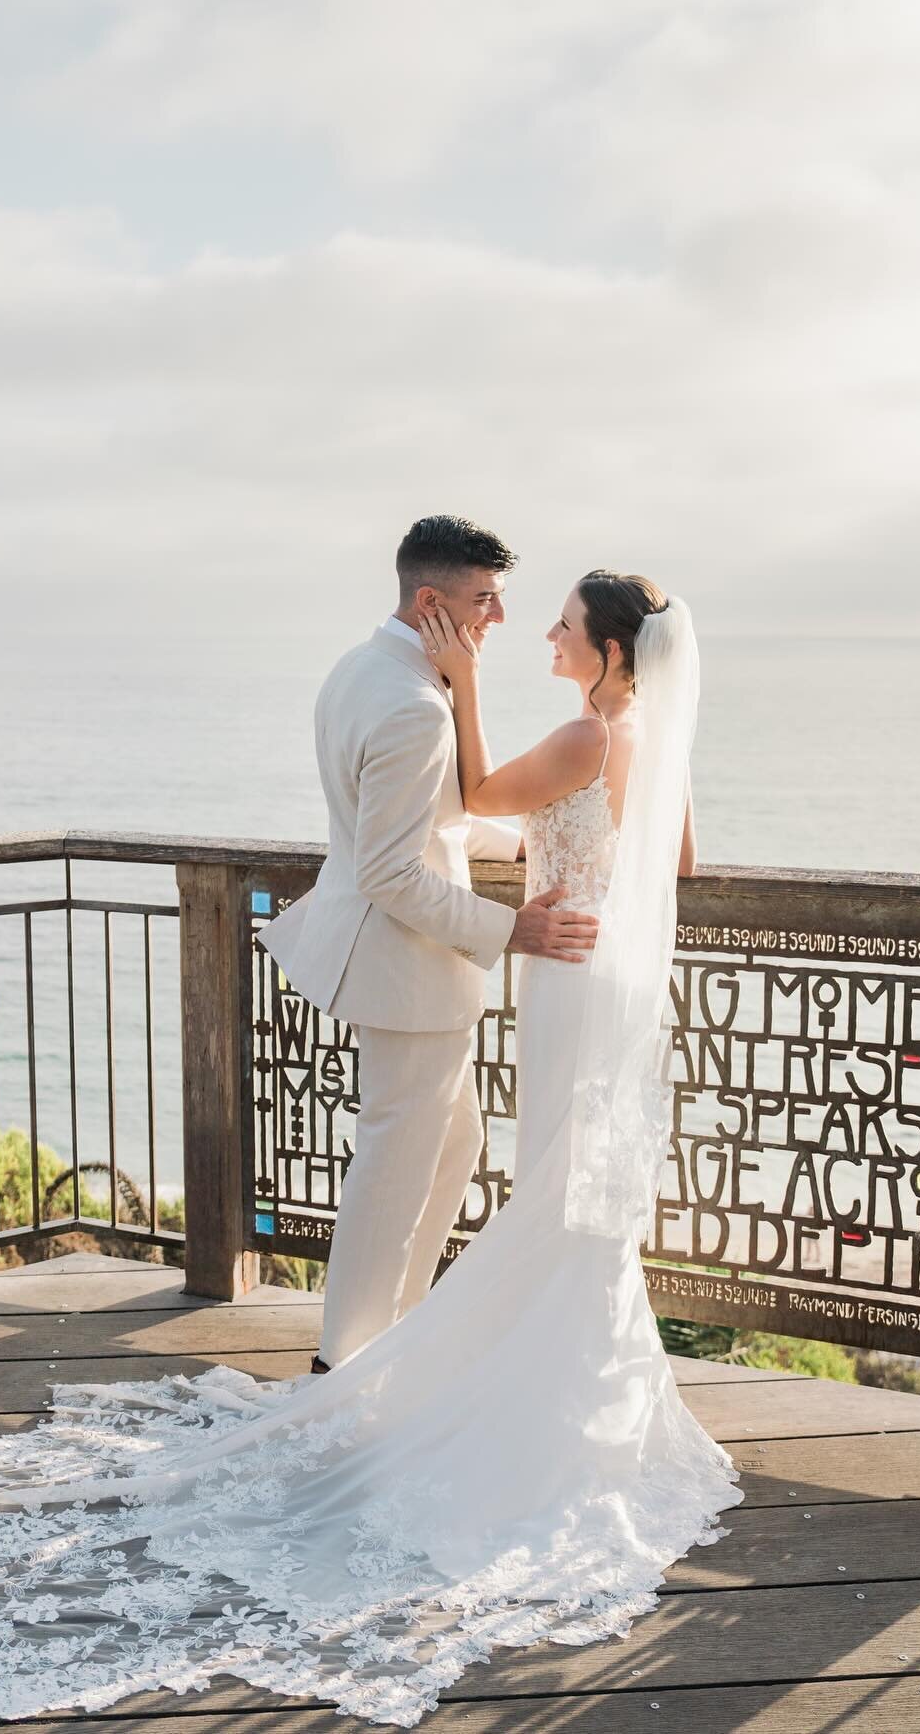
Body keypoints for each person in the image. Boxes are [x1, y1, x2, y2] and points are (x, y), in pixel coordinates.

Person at [0, 549, 744, 1729]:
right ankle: (538, 1392)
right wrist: (580, 864)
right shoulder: (648, 737)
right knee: (557, 1191)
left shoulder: (571, 732)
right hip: (613, 975)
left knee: (523, 1179)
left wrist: (487, 738)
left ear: (615, 653)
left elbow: (480, 796)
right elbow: (675, 860)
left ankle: (425, 1378)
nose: (536, 631)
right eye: (507, 606)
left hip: (560, 970)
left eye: (562, 625)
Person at [256, 515, 601, 1371]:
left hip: (390, 961)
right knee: (391, 1173)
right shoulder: (415, 706)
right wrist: (512, 926)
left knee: (454, 1146)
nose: (499, 619)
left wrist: (529, 845)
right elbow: (389, 870)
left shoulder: (363, 668)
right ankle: (344, 1365)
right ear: (431, 599)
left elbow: (422, 820)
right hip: (403, 971)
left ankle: (397, 1335)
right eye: (486, 599)